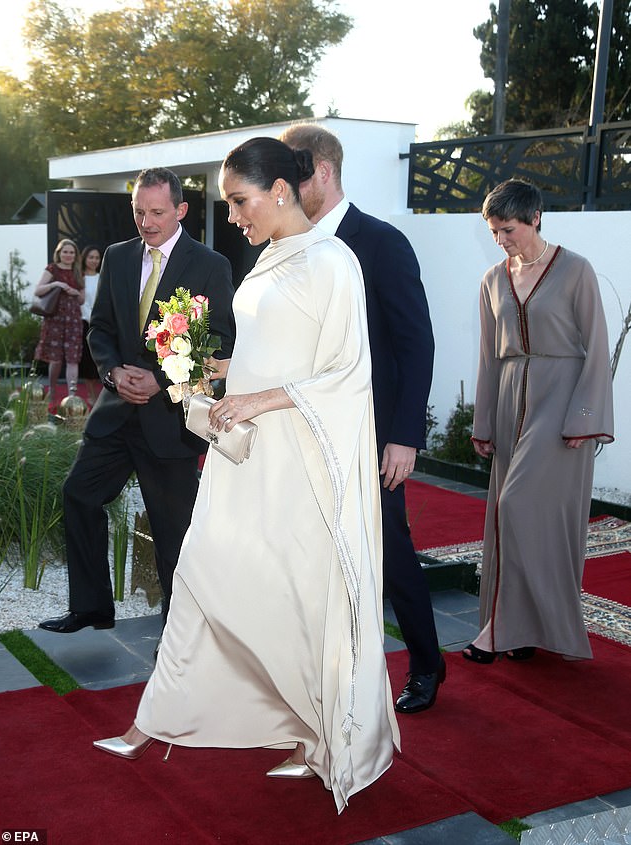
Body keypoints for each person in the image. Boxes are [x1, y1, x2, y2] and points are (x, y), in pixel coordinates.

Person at [93, 138, 400, 813]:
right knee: (203, 571)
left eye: (239, 200)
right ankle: (156, 718)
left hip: (301, 464)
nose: (231, 215)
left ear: (282, 190)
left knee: (299, 598)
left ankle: (315, 736)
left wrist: (258, 398)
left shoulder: (333, 261)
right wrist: (211, 371)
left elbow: (347, 373)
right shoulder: (268, 258)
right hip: (249, 457)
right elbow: (264, 353)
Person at [280, 123, 443, 714]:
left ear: (322, 170)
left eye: (293, 176)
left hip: (373, 434)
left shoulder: (381, 242)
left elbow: (415, 343)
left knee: (389, 552)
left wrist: (404, 436)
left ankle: (426, 662)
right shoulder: (289, 246)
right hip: (306, 426)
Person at [39, 167, 235, 634]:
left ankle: (176, 636)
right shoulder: (118, 256)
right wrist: (110, 372)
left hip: (170, 424)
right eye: (139, 212)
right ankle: (91, 608)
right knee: (79, 496)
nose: (146, 222)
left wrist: (162, 379)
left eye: (157, 212)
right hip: (115, 416)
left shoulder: (211, 265)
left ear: (181, 210)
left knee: (173, 538)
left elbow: (221, 345)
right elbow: (101, 329)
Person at [466, 178, 614, 664]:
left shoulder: (576, 271)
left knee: (521, 508)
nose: (501, 240)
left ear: (535, 219)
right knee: (507, 520)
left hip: (561, 406)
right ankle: (515, 629)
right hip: (510, 403)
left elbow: (595, 346)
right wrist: (483, 422)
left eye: (508, 230)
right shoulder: (492, 280)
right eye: (494, 232)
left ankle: (504, 629)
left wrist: (585, 419)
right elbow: (489, 356)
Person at [33, 238, 85, 408]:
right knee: (55, 359)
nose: (68, 255)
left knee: (72, 359)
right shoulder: (52, 269)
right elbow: (38, 290)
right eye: (65, 252)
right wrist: (56, 283)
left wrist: (74, 292)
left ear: (75, 255)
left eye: (71, 252)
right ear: (59, 253)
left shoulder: (78, 271)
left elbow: (82, 300)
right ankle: (53, 388)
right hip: (55, 318)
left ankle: (71, 395)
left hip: (73, 319)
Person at [79, 244, 103, 405]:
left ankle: (101, 396)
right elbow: (82, 303)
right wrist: (90, 318)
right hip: (85, 323)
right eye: (91, 257)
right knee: (87, 360)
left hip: (102, 323)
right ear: (84, 258)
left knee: (100, 360)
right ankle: (90, 395)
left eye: (97, 257)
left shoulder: (103, 277)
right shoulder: (79, 278)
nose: (94, 260)